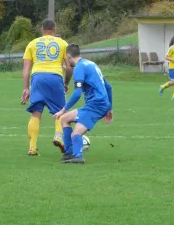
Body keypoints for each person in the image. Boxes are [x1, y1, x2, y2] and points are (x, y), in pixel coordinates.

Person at [53, 44, 113, 164]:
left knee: (76, 132)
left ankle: (78, 156)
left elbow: (77, 93)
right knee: (64, 119)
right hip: (99, 104)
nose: (66, 62)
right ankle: (69, 153)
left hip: (96, 105)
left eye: (66, 59)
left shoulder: (79, 68)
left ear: (69, 57)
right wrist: (109, 108)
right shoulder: (91, 64)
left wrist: (63, 110)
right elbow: (108, 87)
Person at [21, 19, 73, 156]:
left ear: (42, 30)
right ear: (54, 29)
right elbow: (69, 67)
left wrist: (26, 88)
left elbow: (26, 69)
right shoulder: (62, 43)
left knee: (36, 113)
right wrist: (66, 83)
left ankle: (32, 148)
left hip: (37, 78)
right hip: (55, 78)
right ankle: (58, 136)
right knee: (60, 112)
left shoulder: (32, 44)